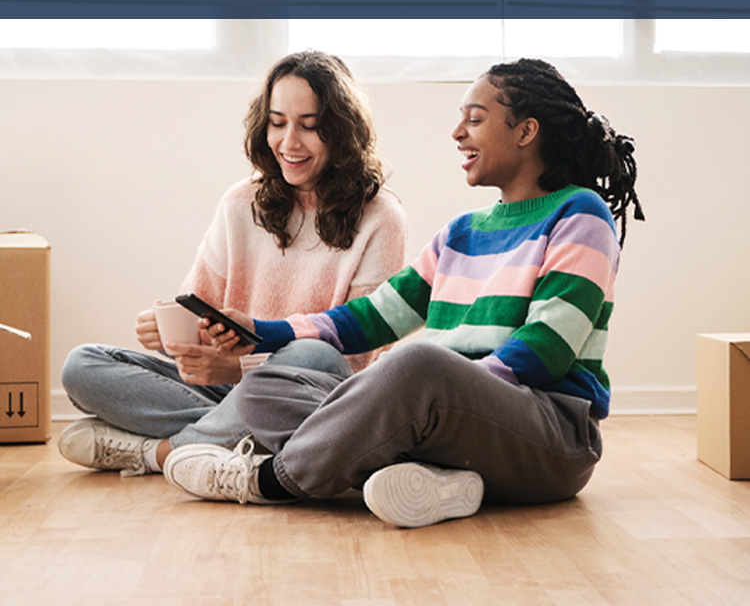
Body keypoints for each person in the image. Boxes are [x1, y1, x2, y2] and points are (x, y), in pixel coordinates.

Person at [163, 57, 645, 528]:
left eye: (474, 119)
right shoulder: (461, 233)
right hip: (450, 418)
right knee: (264, 389)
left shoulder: (581, 214)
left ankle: (269, 480)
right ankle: (435, 479)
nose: (458, 133)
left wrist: (432, 394)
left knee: (415, 365)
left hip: (549, 435)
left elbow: (549, 347)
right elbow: (370, 318)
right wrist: (262, 332)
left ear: (526, 131)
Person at [58, 51, 408, 477]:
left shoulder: (381, 217)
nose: (289, 142)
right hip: (225, 389)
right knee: (82, 364)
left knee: (315, 354)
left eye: (310, 126)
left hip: (306, 387)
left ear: (342, 131)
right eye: (277, 123)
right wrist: (168, 331)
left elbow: (353, 358)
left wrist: (243, 367)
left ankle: (156, 453)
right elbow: (201, 310)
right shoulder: (241, 202)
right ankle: (237, 439)